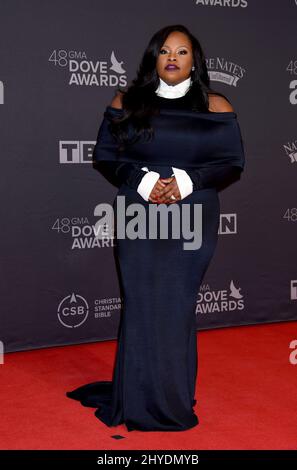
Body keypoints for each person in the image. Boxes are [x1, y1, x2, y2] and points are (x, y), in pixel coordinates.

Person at [66, 24, 245, 432]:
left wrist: (188, 182)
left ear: (194, 61)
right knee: (142, 302)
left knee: (175, 305)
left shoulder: (215, 105)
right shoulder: (128, 101)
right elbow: (107, 156)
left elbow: (232, 162)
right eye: (165, 50)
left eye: (182, 52)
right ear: (153, 56)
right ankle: (136, 397)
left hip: (194, 213)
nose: (172, 57)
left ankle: (172, 397)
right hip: (137, 212)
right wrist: (142, 180)